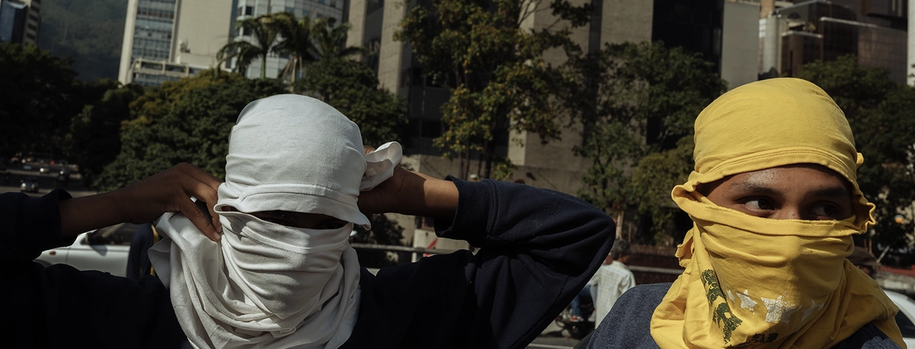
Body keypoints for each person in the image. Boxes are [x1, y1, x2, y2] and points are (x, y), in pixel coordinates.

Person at [0, 94, 614, 348]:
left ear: (353, 217)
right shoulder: (126, 322)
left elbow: (577, 235)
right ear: (228, 209)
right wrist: (103, 207)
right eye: (275, 216)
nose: (296, 245)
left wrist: (409, 191)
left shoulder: (408, 317)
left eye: (322, 220)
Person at [589, 78, 904, 349]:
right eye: (760, 202)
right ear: (699, 202)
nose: (791, 242)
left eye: (824, 208)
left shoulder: (870, 343)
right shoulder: (634, 320)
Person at [587, 238, 635, 325]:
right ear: (621, 255)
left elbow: (592, 283)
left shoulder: (603, 270)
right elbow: (630, 301)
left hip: (600, 318)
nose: (630, 257)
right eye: (629, 254)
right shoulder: (626, 275)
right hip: (614, 321)